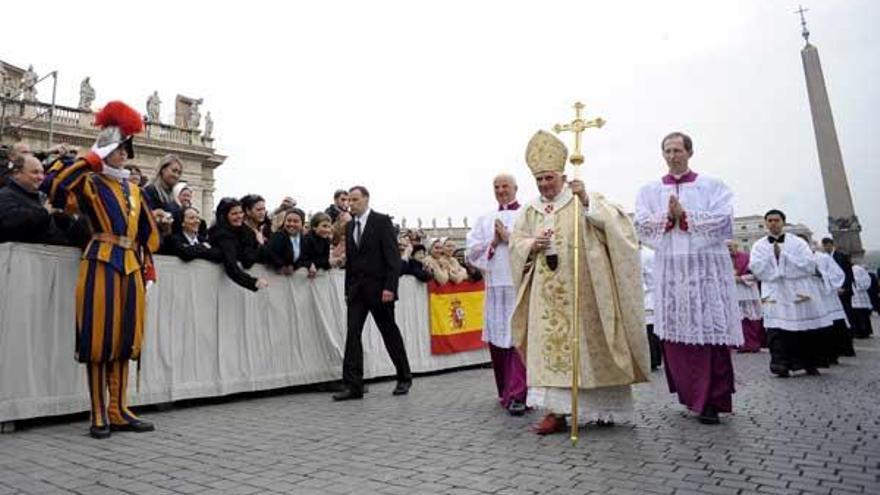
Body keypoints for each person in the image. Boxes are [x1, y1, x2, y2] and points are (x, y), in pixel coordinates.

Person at [510, 130, 649, 434]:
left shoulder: (583, 198)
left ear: (561, 176)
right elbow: (516, 242)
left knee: (591, 346)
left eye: (549, 178)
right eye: (539, 180)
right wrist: (532, 244)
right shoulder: (530, 210)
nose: (544, 185)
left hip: (586, 289)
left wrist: (586, 201)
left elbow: (619, 228)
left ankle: (603, 408)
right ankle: (557, 413)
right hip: (546, 294)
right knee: (551, 348)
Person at [41, 101, 161, 439]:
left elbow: (149, 236)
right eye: (118, 148)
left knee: (125, 341)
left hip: (131, 266)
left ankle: (119, 409)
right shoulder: (90, 182)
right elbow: (54, 186)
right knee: (98, 341)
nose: (124, 155)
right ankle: (97, 413)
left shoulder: (135, 189)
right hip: (100, 261)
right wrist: (90, 157)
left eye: (125, 149)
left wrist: (153, 237)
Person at [634, 131, 741, 425]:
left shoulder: (712, 185)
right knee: (678, 337)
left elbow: (724, 220)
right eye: (667, 151)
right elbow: (641, 225)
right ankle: (690, 394)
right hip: (671, 272)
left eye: (677, 150)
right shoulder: (649, 190)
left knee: (708, 332)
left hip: (705, 270)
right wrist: (667, 219)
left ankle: (711, 400)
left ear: (690, 152)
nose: (672, 156)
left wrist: (686, 216)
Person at [333, 185, 412, 401]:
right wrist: (348, 290)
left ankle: (404, 377)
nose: (351, 203)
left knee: (389, 333)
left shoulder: (381, 221)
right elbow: (351, 262)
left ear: (366, 199)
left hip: (380, 290)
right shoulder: (350, 228)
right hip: (357, 292)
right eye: (349, 199)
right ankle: (353, 385)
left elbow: (392, 259)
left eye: (356, 199)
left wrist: (390, 287)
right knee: (352, 334)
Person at [466, 173, 527, 415]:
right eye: (497, 187)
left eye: (505, 186)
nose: (501, 190)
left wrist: (510, 239)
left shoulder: (527, 214)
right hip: (494, 286)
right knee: (498, 340)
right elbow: (471, 252)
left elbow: (535, 244)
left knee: (516, 339)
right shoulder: (485, 218)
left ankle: (518, 393)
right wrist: (492, 242)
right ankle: (505, 390)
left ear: (515, 188)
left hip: (518, 284)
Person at [750, 209, 828, 377]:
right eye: (769, 220)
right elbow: (756, 268)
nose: (773, 223)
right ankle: (780, 364)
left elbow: (808, 264)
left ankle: (809, 363)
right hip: (774, 291)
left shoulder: (798, 243)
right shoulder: (759, 245)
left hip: (797, 290)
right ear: (766, 223)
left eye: (776, 220)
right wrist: (774, 262)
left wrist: (783, 257)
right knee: (777, 331)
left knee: (804, 329)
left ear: (783, 222)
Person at [207, 198, 268, 292]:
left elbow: (248, 259)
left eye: (240, 212)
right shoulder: (222, 235)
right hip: (221, 287)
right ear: (225, 216)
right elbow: (231, 265)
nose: (239, 216)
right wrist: (253, 282)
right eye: (234, 214)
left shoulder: (246, 231)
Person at [812, 244, 854, 359]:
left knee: (833, 322)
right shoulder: (796, 259)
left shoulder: (823, 258)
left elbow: (838, 274)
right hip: (811, 297)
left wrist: (821, 274)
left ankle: (838, 351)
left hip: (827, 295)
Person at [728, 240, 765, 353]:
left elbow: (757, 274)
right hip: (732, 294)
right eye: (726, 247)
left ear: (736, 245)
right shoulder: (722, 260)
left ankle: (752, 344)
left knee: (750, 319)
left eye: (730, 246)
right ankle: (740, 344)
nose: (729, 249)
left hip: (747, 292)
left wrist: (741, 279)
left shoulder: (747, 257)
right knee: (737, 320)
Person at [821, 237, 855, 328]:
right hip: (832, 290)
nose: (826, 248)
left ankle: (851, 330)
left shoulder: (841, 256)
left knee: (847, 310)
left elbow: (848, 273)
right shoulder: (823, 258)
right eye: (824, 246)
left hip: (843, 289)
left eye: (828, 246)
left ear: (832, 245)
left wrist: (844, 287)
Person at [639, 243, 662, 370]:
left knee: (650, 329)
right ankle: (654, 358)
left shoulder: (646, 254)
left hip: (648, 295)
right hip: (649, 294)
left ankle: (653, 359)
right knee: (650, 329)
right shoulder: (648, 253)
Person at [265, 208, 305, 274]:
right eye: (289, 221)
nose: (291, 224)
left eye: (295, 221)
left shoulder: (304, 239)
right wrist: (282, 265)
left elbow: (304, 258)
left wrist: (295, 266)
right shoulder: (278, 236)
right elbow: (270, 253)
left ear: (302, 223)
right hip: (274, 276)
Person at [300, 211, 333, 278]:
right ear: (314, 227)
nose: (327, 230)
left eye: (329, 227)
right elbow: (302, 258)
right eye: (324, 226)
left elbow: (325, 260)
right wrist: (309, 264)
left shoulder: (326, 240)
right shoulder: (306, 240)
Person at [851, 264, 874, 338]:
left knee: (858, 315)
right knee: (863, 315)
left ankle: (860, 332)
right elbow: (867, 281)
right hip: (860, 295)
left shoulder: (855, 269)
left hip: (856, 295)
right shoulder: (860, 269)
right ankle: (865, 331)